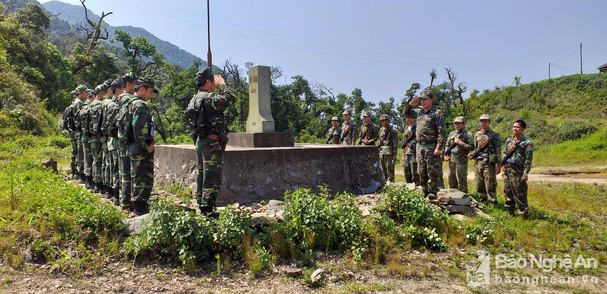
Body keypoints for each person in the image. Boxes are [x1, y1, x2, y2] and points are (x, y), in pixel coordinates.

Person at [185, 68, 235, 216]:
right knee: (212, 177)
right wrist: (223, 85)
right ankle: (208, 211)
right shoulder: (209, 98)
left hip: (200, 141)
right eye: (214, 82)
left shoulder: (194, 99)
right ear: (208, 82)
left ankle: (202, 205)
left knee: (202, 175)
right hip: (211, 143)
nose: (216, 84)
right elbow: (230, 98)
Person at [402, 90, 447, 199]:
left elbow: (442, 132)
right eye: (421, 99)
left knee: (432, 170)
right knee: (421, 170)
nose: (422, 102)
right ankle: (424, 189)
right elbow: (406, 114)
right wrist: (410, 104)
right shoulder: (418, 112)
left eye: (425, 99)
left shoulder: (437, 114)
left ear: (431, 100)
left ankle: (432, 191)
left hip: (431, 145)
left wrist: (439, 147)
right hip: (419, 146)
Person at [126, 77, 158, 215]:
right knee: (142, 177)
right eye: (150, 92)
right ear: (143, 89)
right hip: (140, 148)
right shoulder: (139, 105)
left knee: (137, 176)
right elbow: (139, 128)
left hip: (133, 146)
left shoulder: (129, 103)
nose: (150, 95)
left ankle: (139, 205)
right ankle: (140, 208)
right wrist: (146, 145)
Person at [502, 120, 533, 218]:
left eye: (517, 127)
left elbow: (528, 160)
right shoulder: (509, 141)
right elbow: (505, 154)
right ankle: (510, 214)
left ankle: (524, 215)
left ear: (523, 129)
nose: (514, 128)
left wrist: (525, 173)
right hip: (508, 171)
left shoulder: (527, 143)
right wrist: (503, 168)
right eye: (513, 126)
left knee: (520, 195)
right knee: (508, 193)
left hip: (518, 172)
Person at [469, 114, 501, 203]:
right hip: (478, 162)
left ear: (489, 122)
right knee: (479, 183)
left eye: (485, 121)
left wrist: (498, 165)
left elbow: (498, 150)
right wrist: (473, 156)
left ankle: (492, 202)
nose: (483, 122)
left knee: (490, 183)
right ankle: (482, 201)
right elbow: (476, 148)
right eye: (481, 121)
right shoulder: (477, 134)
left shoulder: (494, 135)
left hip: (489, 162)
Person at [116, 73, 138, 209]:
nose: (136, 86)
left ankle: (123, 200)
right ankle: (127, 201)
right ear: (128, 84)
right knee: (130, 172)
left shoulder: (118, 99)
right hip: (128, 139)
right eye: (134, 83)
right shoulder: (129, 99)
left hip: (120, 137)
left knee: (123, 170)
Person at [102, 79, 124, 204]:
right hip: (116, 141)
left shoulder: (107, 104)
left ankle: (110, 192)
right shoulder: (117, 105)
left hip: (110, 140)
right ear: (119, 89)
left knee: (111, 167)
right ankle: (117, 196)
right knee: (118, 170)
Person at [444, 116, 474, 193]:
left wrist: (460, 143)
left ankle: (464, 196)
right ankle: (454, 195)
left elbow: (471, 147)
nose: (457, 125)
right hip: (452, 160)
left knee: (462, 178)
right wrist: (446, 154)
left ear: (463, 124)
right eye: (455, 123)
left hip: (461, 160)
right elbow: (447, 145)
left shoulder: (468, 134)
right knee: (452, 178)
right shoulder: (452, 133)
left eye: (459, 123)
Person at [89, 84, 106, 194]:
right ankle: (99, 185)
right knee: (100, 161)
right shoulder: (101, 105)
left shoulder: (89, 106)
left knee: (95, 160)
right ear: (100, 93)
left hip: (91, 137)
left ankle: (94, 182)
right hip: (99, 138)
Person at [62, 89, 83, 180]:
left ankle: (73, 170)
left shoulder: (72, 104)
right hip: (76, 131)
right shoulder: (78, 104)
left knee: (74, 151)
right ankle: (77, 172)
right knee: (78, 152)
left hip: (72, 131)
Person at [78, 86, 95, 190]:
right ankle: (90, 181)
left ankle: (86, 180)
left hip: (83, 135)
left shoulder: (82, 108)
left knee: (86, 158)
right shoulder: (91, 108)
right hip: (91, 136)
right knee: (92, 159)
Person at [378, 114, 398, 182]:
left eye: (383, 120)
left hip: (389, 152)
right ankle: (384, 182)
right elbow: (380, 141)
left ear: (387, 121)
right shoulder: (381, 130)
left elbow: (395, 143)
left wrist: (394, 155)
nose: (382, 122)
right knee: (382, 168)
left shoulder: (393, 130)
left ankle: (391, 183)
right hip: (382, 151)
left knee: (390, 168)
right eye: (381, 121)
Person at [402, 115, 419, 186]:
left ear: (414, 118)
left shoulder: (417, 128)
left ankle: (417, 188)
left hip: (414, 153)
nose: (408, 119)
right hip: (406, 153)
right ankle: (409, 187)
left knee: (415, 172)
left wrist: (412, 145)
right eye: (407, 117)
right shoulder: (406, 128)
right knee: (407, 172)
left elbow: (419, 140)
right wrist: (403, 154)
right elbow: (404, 141)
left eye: (410, 117)